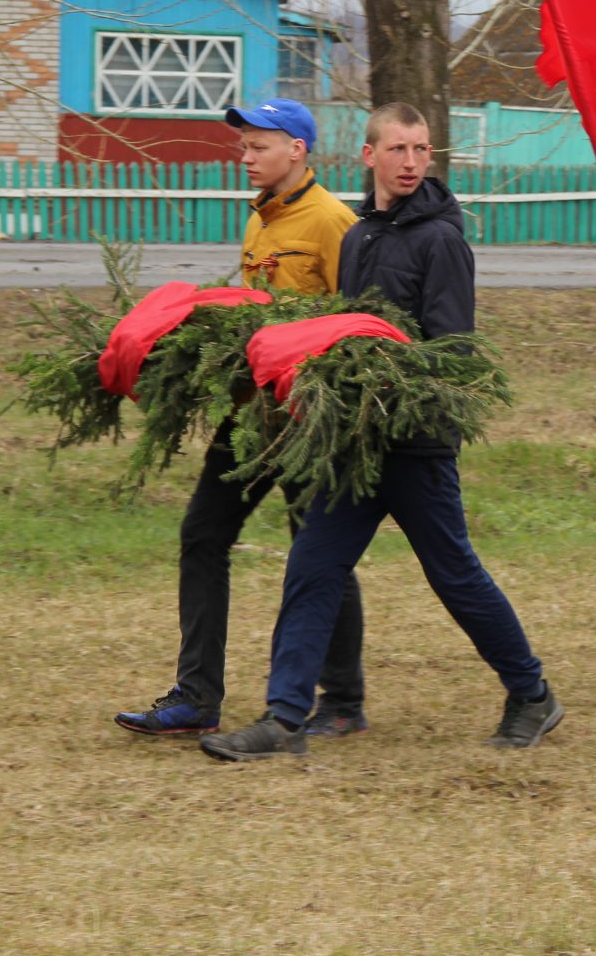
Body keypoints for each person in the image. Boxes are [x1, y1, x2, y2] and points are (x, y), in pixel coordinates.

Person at [200, 104, 561, 761]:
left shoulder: (441, 240)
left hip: (417, 442)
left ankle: (532, 693)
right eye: (397, 148)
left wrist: (386, 379)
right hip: (357, 443)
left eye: (421, 149)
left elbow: (450, 349)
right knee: (313, 565)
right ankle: (284, 718)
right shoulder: (361, 236)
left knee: (455, 574)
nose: (411, 161)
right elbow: (345, 329)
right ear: (369, 156)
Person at [114, 98, 368, 739]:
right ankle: (197, 697)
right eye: (244, 145)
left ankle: (341, 700)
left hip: (306, 417)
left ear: (298, 151)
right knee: (203, 534)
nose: (246, 155)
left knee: (319, 553)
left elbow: (354, 322)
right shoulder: (259, 221)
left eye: (258, 145)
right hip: (255, 413)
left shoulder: (334, 223)